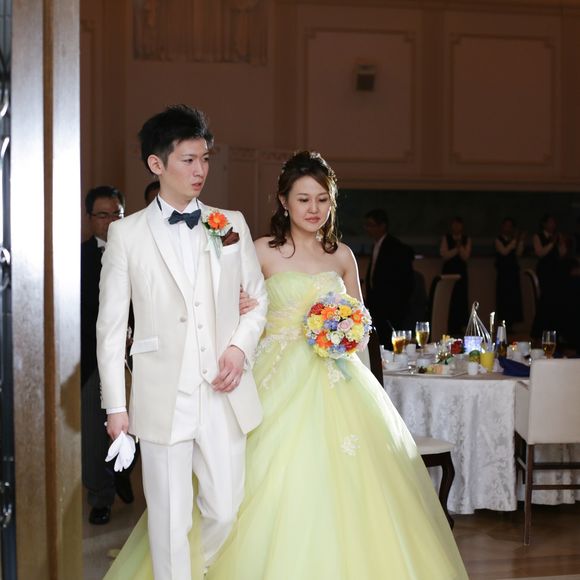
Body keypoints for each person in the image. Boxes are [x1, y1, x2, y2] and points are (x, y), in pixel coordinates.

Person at [105, 151, 468, 579]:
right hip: (274, 375)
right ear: (284, 201)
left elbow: (361, 321)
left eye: (322, 200)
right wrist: (239, 305)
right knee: (248, 486)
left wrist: (346, 330)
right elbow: (223, 308)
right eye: (303, 199)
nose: (314, 209)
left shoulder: (342, 256)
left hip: (338, 378)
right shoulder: (260, 250)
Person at [98, 105, 268, 579]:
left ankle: (193, 570)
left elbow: (258, 300)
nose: (200, 170)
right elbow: (110, 328)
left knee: (225, 510)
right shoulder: (126, 234)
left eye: (205, 159)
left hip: (222, 389)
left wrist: (238, 347)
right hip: (161, 393)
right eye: (188, 160)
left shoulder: (230, 223)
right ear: (157, 164)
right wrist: (116, 407)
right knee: (169, 519)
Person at [81, 185, 136, 525]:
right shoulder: (78, 258)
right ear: (90, 218)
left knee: (138, 423)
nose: (111, 220)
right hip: (92, 357)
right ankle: (100, 496)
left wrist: (133, 334)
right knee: (93, 431)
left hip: (137, 355)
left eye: (117, 213)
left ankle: (123, 472)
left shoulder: (136, 250)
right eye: (103, 215)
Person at [364, 208, 415, 345]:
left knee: (390, 342)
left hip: (391, 307)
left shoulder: (396, 247)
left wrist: (396, 305)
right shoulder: (376, 245)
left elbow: (405, 280)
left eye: (371, 225)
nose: (368, 229)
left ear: (382, 226)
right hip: (377, 305)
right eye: (367, 225)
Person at [531, 214, 566, 338]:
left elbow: (562, 254)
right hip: (545, 271)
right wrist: (552, 242)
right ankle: (540, 331)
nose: (553, 225)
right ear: (544, 224)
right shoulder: (537, 236)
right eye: (550, 222)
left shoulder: (557, 236)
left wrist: (561, 243)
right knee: (546, 299)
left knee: (557, 299)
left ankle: (556, 330)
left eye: (554, 222)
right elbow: (540, 252)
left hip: (556, 270)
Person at [440, 216, 471, 335]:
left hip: (461, 273)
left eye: (459, 224)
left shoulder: (466, 239)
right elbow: (444, 255)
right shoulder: (446, 238)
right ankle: (449, 325)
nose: (457, 227)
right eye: (454, 224)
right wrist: (455, 249)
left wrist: (460, 247)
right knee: (450, 298)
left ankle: (460, 326)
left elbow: (465, 256)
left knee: (461, 298)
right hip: (449, 272)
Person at [494, 217, 524, 327]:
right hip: (503, 273)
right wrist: (514, 240)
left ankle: (511, 323)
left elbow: (519, 253)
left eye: (510, 226)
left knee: (513, 298)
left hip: (513, 273)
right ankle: (503, 322)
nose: (508, 228)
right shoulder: (498, 240)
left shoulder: (514, 240)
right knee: (503, 298)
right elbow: (504, 251)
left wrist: (520, 241)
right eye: (506, 226)